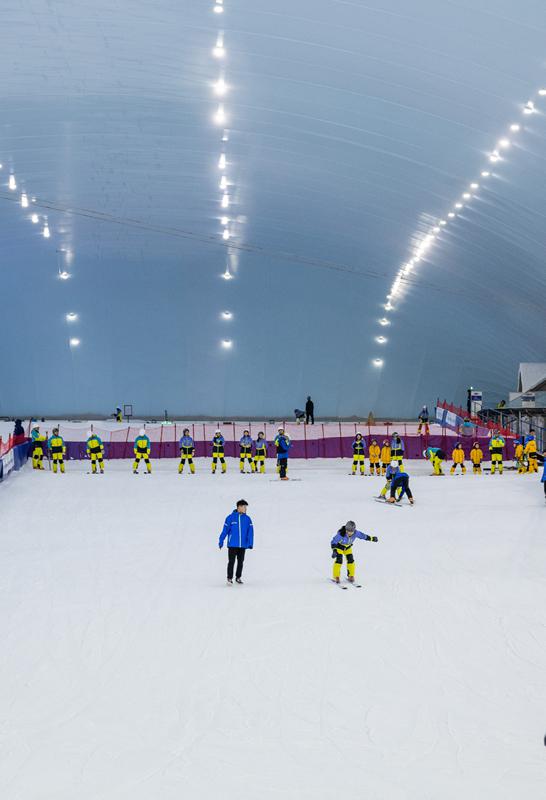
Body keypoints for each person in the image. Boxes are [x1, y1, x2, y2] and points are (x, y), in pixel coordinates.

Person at [218, 499, 254, 585]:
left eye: (246, 507)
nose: (245, 509)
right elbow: (225, 530)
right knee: (231, 561)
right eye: (244, 507)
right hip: (232, 544)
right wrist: (221, 540)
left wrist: (250, 543)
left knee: (240, 562)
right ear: (239, 507)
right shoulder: (230, 518)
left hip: (242, 545)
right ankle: (229, 578)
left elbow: (250, 532)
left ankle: (238, 577)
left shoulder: (248, 519)